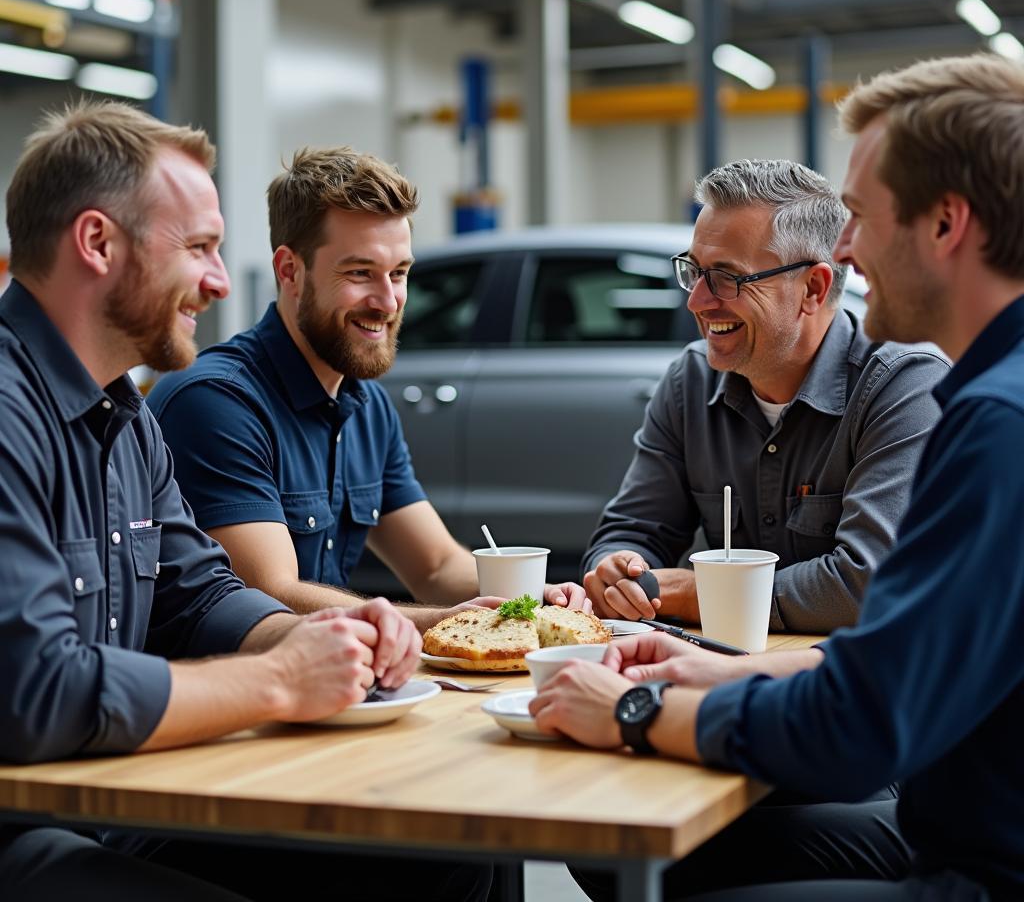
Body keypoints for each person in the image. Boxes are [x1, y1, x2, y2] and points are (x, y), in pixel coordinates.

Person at [534, 53, 1024, 901]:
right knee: (647, 856)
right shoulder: (996, 393)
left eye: (864, 217)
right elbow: (890, 671)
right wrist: (710, 671)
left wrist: (638, 711)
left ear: (946, 224)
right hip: (956, 827)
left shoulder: (992, 418)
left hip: (977, 869)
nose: (849, 247)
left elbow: (865, 721)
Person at [0, 101, 489, 902]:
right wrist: (279, 681)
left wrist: (326, 631)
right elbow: (35, 692)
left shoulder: (125, 418)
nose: (222, 282)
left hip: (116, 802)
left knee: (450, 854)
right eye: (199, 249)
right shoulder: (12, 411)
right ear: (96, 243)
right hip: (25, 829)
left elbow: (199, 595)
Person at [147, 147, 586, 631]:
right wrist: (437, 624)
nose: (388, 300)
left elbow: (436, 565)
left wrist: (528, 600)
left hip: (331, 680)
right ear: (290, 270)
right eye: (360, 273)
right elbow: (269, 594)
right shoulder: (217, 403)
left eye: (399, 273)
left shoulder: (366, 404)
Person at [582, 158, 948, 633]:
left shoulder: (903, 388)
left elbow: (870, 581)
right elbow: (630, 531)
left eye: (727, 278)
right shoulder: (690, 381)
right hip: (727, 673)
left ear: (813, 289)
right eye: (694, 271)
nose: (697, 301)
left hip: (858, 690)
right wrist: (620, 571)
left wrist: (697, 593)